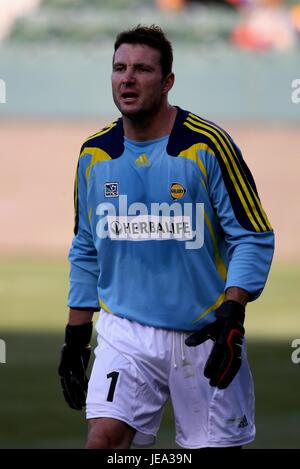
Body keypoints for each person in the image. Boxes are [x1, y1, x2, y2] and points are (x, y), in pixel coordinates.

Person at [58, 25, 274, 449]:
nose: (128, 79)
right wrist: (76, 336)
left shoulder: (208, 146)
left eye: (142, 69)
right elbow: (85, 247)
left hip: (204, 333)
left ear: (168, 81)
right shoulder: (94, 154)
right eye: (119, 68)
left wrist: (233, 315)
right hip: (126, 331)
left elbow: (252, 235)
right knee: (103, 442)